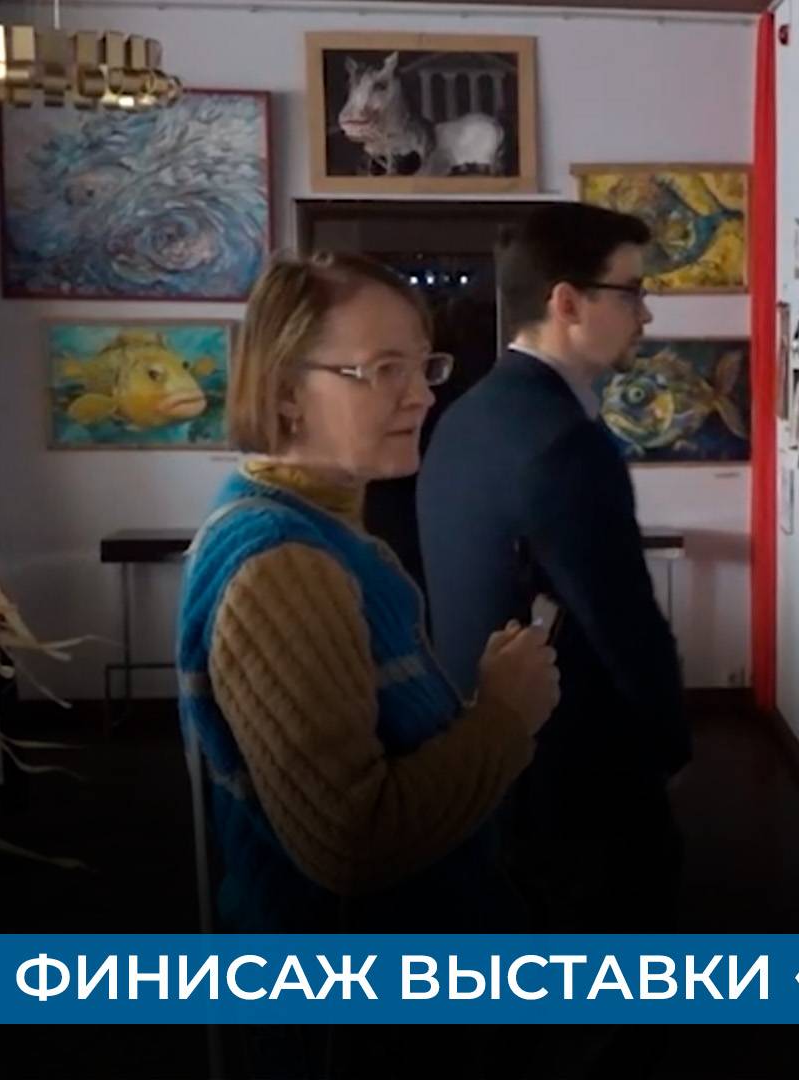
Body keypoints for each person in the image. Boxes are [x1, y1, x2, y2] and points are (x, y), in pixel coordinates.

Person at [175, 251, 559, 1076]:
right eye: (384, 369)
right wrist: (504, 717)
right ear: (285, 390)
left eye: (423, 366)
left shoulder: (329, 539)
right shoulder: (284, 564)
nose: (421, 395)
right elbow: (352, 843)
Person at [418, 202, 691, 935]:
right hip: (577, 777)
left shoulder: (465, 415)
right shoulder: (563, 441)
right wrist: (671, 747)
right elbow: (623, 622)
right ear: (566, 302)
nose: (645, 315)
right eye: (631, 292)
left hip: (483, 749)